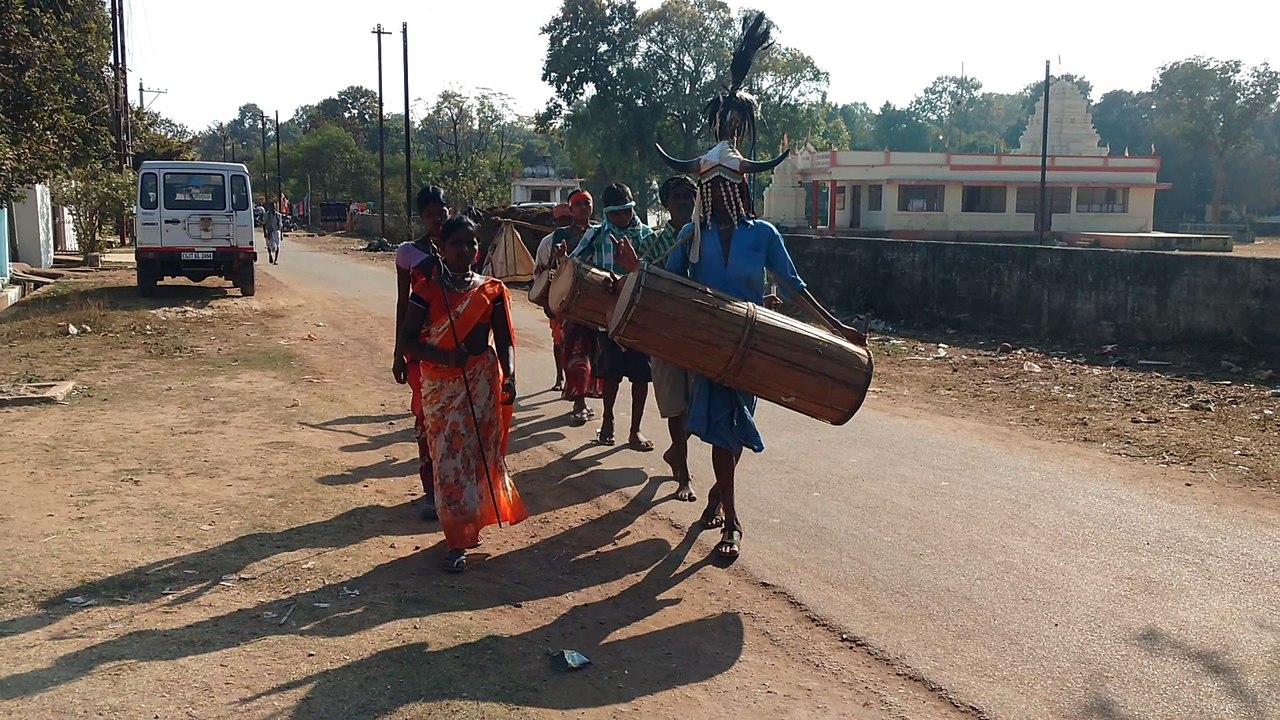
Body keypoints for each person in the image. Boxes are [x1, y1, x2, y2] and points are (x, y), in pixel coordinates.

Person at [655, 11, 866, 559]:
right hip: (708, 345)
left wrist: (838, 330)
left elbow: (793, 287)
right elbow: (664, 283)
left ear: (741, 188)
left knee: (732, 429)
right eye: (711, 188)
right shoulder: (692, 237)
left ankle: (721, 504)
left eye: (726, 187)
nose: (718, 196)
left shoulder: (763, 234)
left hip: (753, 342)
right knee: (720, 429)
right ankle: (729, 517)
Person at [398, 215, 526, 572]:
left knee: (477, 457)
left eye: (471, 243)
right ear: (442, 248)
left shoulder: (492, 291)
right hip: (442, 386)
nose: (465, 250)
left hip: (482, 382)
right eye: (457, 244)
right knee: (450, 462)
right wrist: (446, 358)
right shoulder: (426, 291)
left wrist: (510, 375)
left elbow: (504, 339)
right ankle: (456, 540)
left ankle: (472, 525)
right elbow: (407, 341)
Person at [569, 182, 656, 451]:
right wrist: (597, 278)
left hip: (640, 317)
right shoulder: (596, 235)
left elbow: (657, 271)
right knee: (612, 372)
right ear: (607, 213)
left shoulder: (647, 235)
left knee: (641, 375)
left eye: (626, 211)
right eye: (615, 213)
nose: (622, 217)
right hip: (606, 317)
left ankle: (635, 430)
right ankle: (607, 421)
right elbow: (574, 264)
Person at [637, 176, 699, 498]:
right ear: (666, 203)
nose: (685, 201)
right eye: (677, 196)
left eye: (690, 195)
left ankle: (676, 451)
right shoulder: (651, 244)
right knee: (675, 406)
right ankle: (683, 475)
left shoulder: (706, 239)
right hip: (663, 332)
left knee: (697, 405)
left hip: (701, 333)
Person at [394, 185, 450, 521]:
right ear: (421, 217)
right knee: (426, 419)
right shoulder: (408, 253)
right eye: (430, 215)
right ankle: (431, 492)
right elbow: (403, 304)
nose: (437, 219)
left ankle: (455, 490)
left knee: (457, 423)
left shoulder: (464, 245)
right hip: (421, 350)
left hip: (458, 350)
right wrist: (398, 352)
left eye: (441, 212)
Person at [553, 189, 605, 424]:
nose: (584, 207)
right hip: (572, 301)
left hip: (598, 300)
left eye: (587, 202)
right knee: (576, 351)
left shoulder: (601, 232)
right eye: (579, 204)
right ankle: (579, 402)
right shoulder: (561, 235)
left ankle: (589, 399)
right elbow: (555, 267)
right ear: (571, 209)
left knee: (597, 352)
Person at [534, 203, 574, 391]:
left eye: (569, 219)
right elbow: (538, 273)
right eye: (562, 219)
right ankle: (560, 377)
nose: (566, 223)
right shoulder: (547, 243)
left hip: (576, 297)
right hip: (556, 297)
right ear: (555, 221)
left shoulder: (583, 238)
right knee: (559, 339)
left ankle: (575, 382)